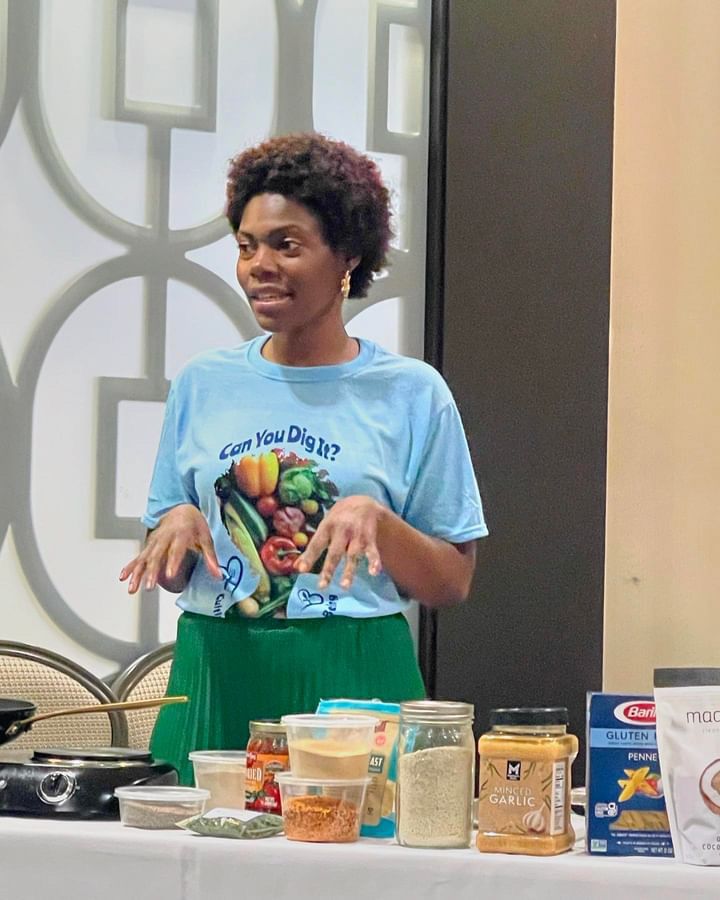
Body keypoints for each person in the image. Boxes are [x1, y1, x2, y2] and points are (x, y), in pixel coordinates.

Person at [120, 132, 488, 784]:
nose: (259, 265)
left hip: (355, 680)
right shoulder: (203, 383)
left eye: (286, 245)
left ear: (347, 257)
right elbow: (174, 573)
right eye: (246, 246)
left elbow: (450, 584)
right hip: (214, 673)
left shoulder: (411, 392)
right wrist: (174, 524)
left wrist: (381, 523)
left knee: (355, 850)